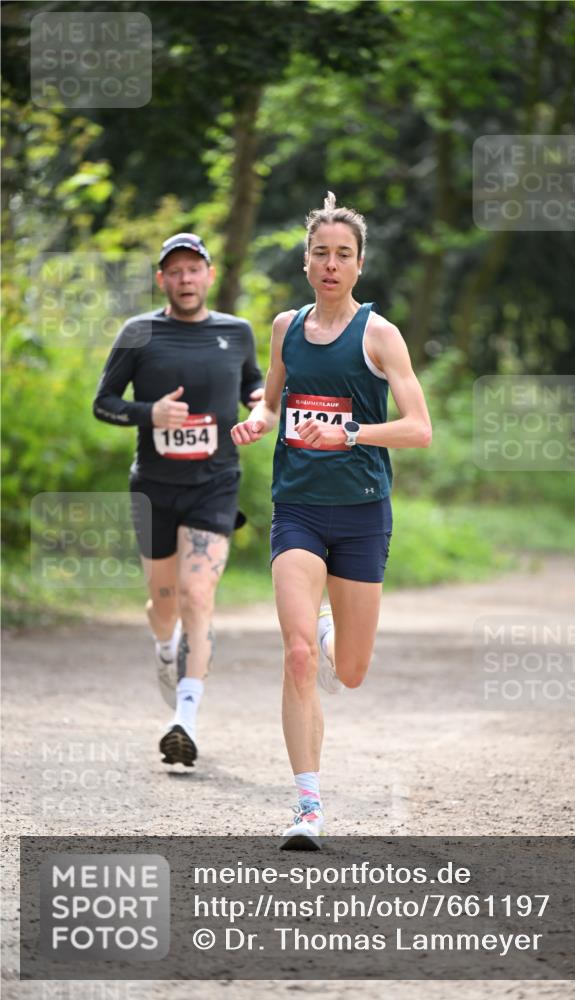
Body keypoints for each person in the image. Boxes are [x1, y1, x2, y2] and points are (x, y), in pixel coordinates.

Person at [231, 192, 432, 848]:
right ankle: (307, 807)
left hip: (362, 515)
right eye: (320, 252)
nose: (330, 263)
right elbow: (273, 397)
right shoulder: (286, 327)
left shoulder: (379, 335)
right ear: (305, 261)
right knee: (294, 656)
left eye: (342, 254)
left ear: (359, 265)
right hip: (298, 510)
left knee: (348, 670)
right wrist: (258, 420)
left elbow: (417, 429)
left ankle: (325, 629)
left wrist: (346, 434)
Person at [93, 233, 263, 765]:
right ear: (162, 279)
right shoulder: (139, 333)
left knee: (197, 597)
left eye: (194, 270)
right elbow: (102, 403)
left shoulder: (237, 333)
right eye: (175, 271)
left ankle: (183, 721)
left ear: (209, 276)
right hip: (154, 489)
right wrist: (149, 414)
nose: (185, 279)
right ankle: (165, 650)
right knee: (164, 604)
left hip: (215, 485)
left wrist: (260, 410)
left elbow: (255, 387)